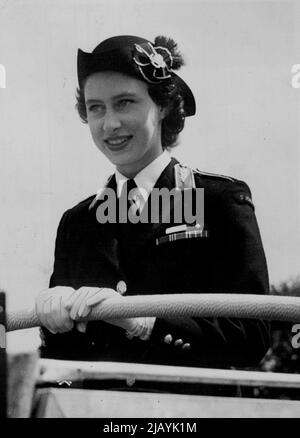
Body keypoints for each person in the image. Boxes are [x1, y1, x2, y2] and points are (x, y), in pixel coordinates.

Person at [36, 35, 270, 369]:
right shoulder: (78, 223)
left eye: (125, 102)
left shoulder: (218, 201)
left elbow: (252, 337)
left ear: (162, 105)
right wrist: (52, 321)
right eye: (95, 108)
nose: (109, 124)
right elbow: (65, 361)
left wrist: (148, 322)